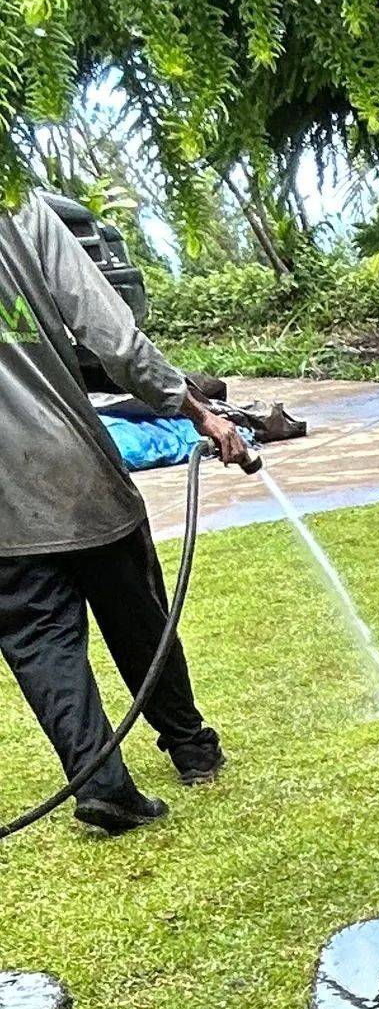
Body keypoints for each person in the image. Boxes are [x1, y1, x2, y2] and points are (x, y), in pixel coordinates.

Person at [0, 193, 251, 833]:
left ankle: (102, 784)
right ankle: (191, 745)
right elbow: (110, 333)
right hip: (73, 469)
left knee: (39, 640)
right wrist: (193, 409)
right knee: (137, 611)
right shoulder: (20, 205)